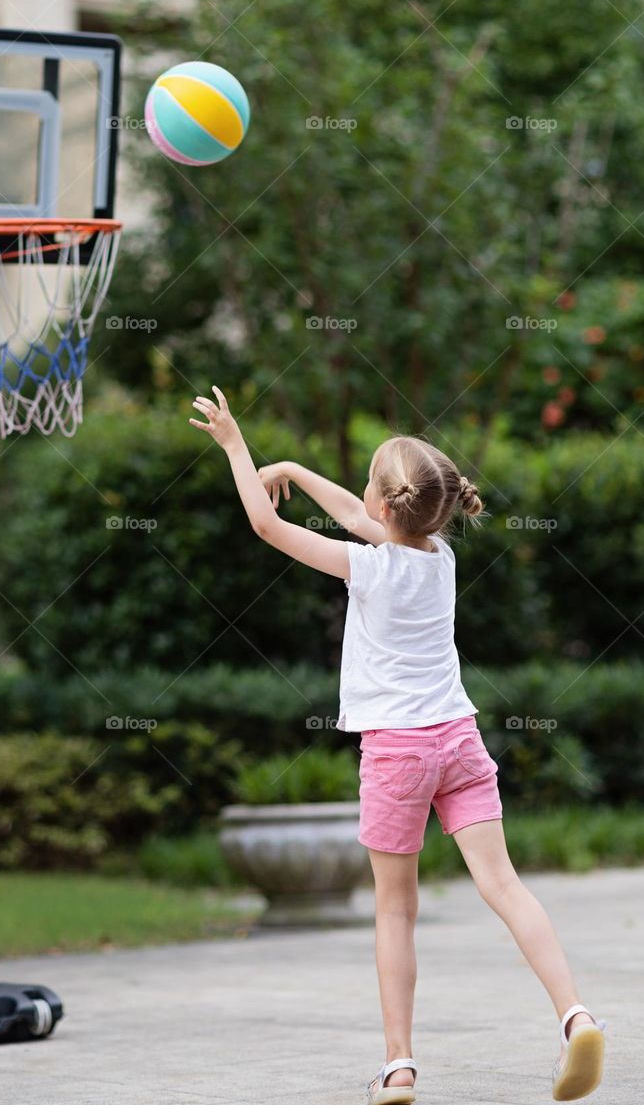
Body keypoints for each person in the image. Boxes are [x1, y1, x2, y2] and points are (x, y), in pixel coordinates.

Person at [189, 386, 607, 1104]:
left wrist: (239, 446)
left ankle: (400, 1065)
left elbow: (266, 526)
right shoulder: (438, 557)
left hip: (398, 755)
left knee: (394, 910)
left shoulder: (370, 566)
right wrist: (293, 465)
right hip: (460, 740)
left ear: (388, 506)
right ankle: (577, 1016)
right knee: (503, 885)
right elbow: (357, 514)